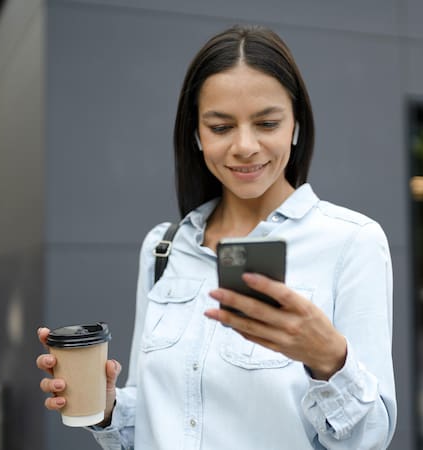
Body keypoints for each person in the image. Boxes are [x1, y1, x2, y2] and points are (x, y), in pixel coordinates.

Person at [36, 25, 396, 449]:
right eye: (221, 127)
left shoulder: (352, 243)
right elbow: (153, 422)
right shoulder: (162, 247)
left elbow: (371, 437)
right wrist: (110, 406)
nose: (245, 146)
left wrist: (329, 359)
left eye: (267, 123)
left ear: (296, 125)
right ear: (196, 134)